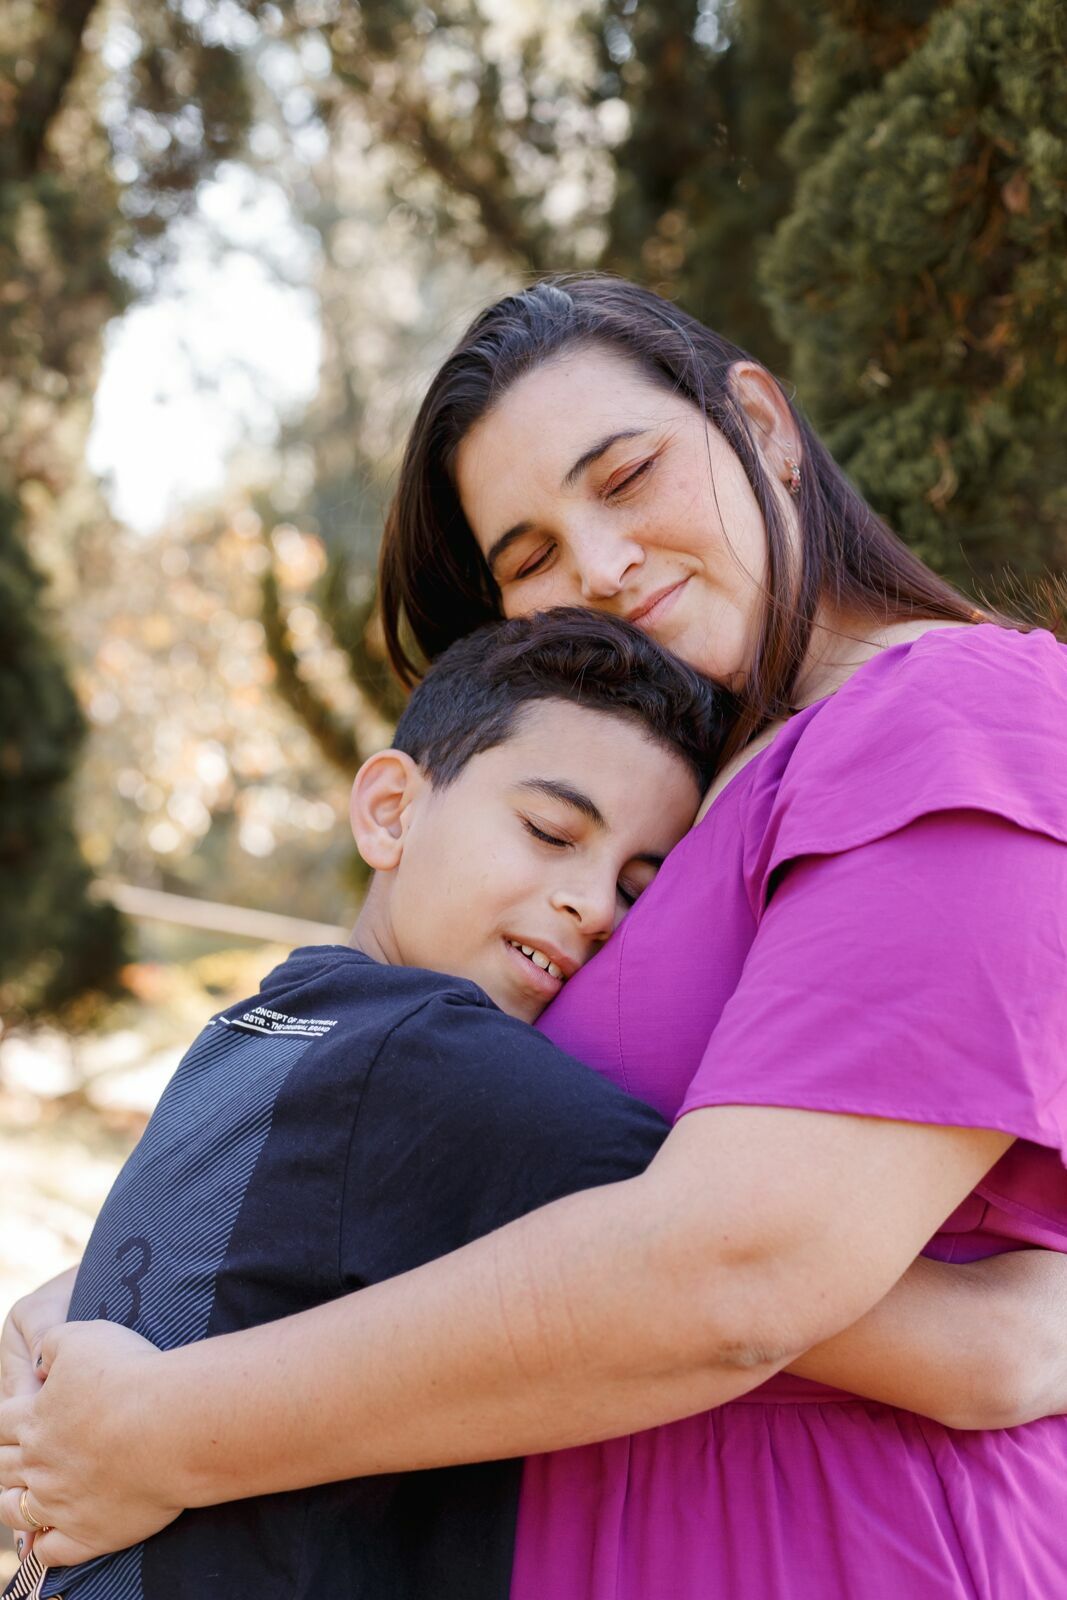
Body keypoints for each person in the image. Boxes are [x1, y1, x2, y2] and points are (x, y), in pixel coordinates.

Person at [4, 275, 1067, 1600]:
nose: (601, 569)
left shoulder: (947, 718)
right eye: (531, 557)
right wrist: (99, 1303)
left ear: (763, 427)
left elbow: (739, 1269)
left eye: (626, 478)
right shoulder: (680, 813)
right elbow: (450, 1159)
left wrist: (166, 1431)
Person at [1, 610, 711, 1600]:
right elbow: (739, 1246)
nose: (593, 905)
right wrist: (994, 1322)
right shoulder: (444, 1064)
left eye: (638, 888)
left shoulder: (257, 1026)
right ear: (389, 809)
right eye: (550, 832)